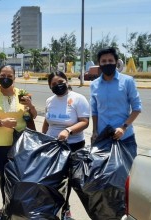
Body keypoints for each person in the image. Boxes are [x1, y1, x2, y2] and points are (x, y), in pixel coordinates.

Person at [0, 65, 37, 218]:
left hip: (21, 143)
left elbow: (33, 116)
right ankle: (7, 206)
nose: (6, 78)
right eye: (3, 75)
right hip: (0, 144)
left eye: (9, 75)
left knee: (22, 177)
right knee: (5, 177)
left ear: (14, 77)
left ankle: (21, 206)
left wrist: (30, 106)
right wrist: (1, 122)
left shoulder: (21, 93)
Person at [90, 47, 142, 217]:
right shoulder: (94, 85)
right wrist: (94, 131)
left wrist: (124, 127)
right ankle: (110, 213)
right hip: (104, 140)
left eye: (110, 61)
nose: (107, 64)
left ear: (116, 62)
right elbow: (95, 111)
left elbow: (136, 108)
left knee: (128, 180)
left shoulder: (127, 81)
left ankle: (129, 211)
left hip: (125, 139)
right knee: (105, 180)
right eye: (103, 61)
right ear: (99, 64)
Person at [42, 71, 90, 220]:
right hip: (53, 146)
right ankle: (54, 208)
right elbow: (47, 121)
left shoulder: (78, 99)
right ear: (50, 86)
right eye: (54, 84)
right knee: (53, 179)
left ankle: (65, 210)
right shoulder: (50, 100)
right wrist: (43, 138)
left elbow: (84, 121)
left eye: (61, 81)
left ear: (67, 81)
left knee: (68, 180)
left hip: (73, 146)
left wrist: (68, 130)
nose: (58, 85)